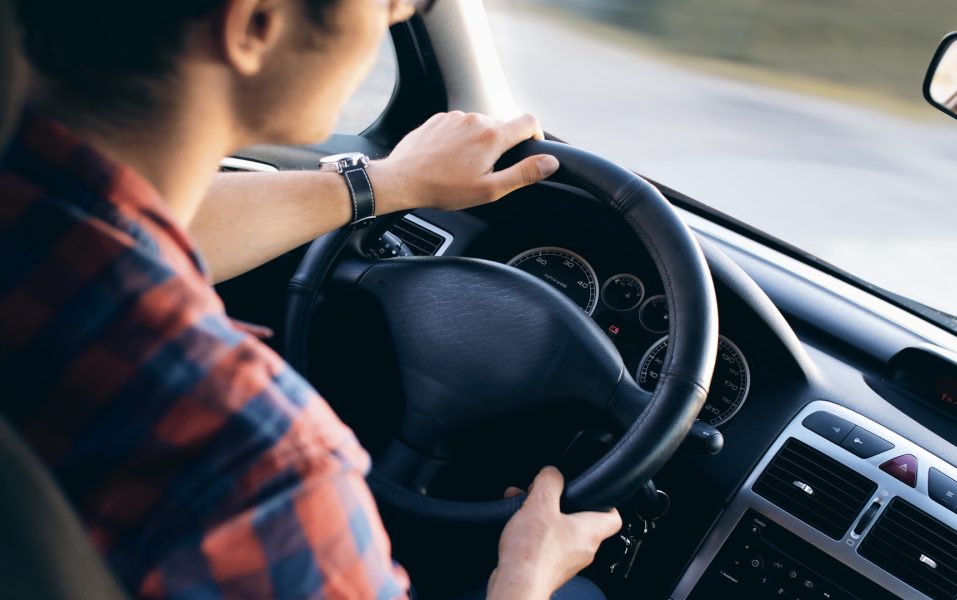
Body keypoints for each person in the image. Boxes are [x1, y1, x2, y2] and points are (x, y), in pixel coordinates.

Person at [0, 0, 622, 598]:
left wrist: (390, 182)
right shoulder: (260, 465)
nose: (400, 12)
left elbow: (136, 224)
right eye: (387, 1)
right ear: (255, 22)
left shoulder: (37, 224)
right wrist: (525, 575)